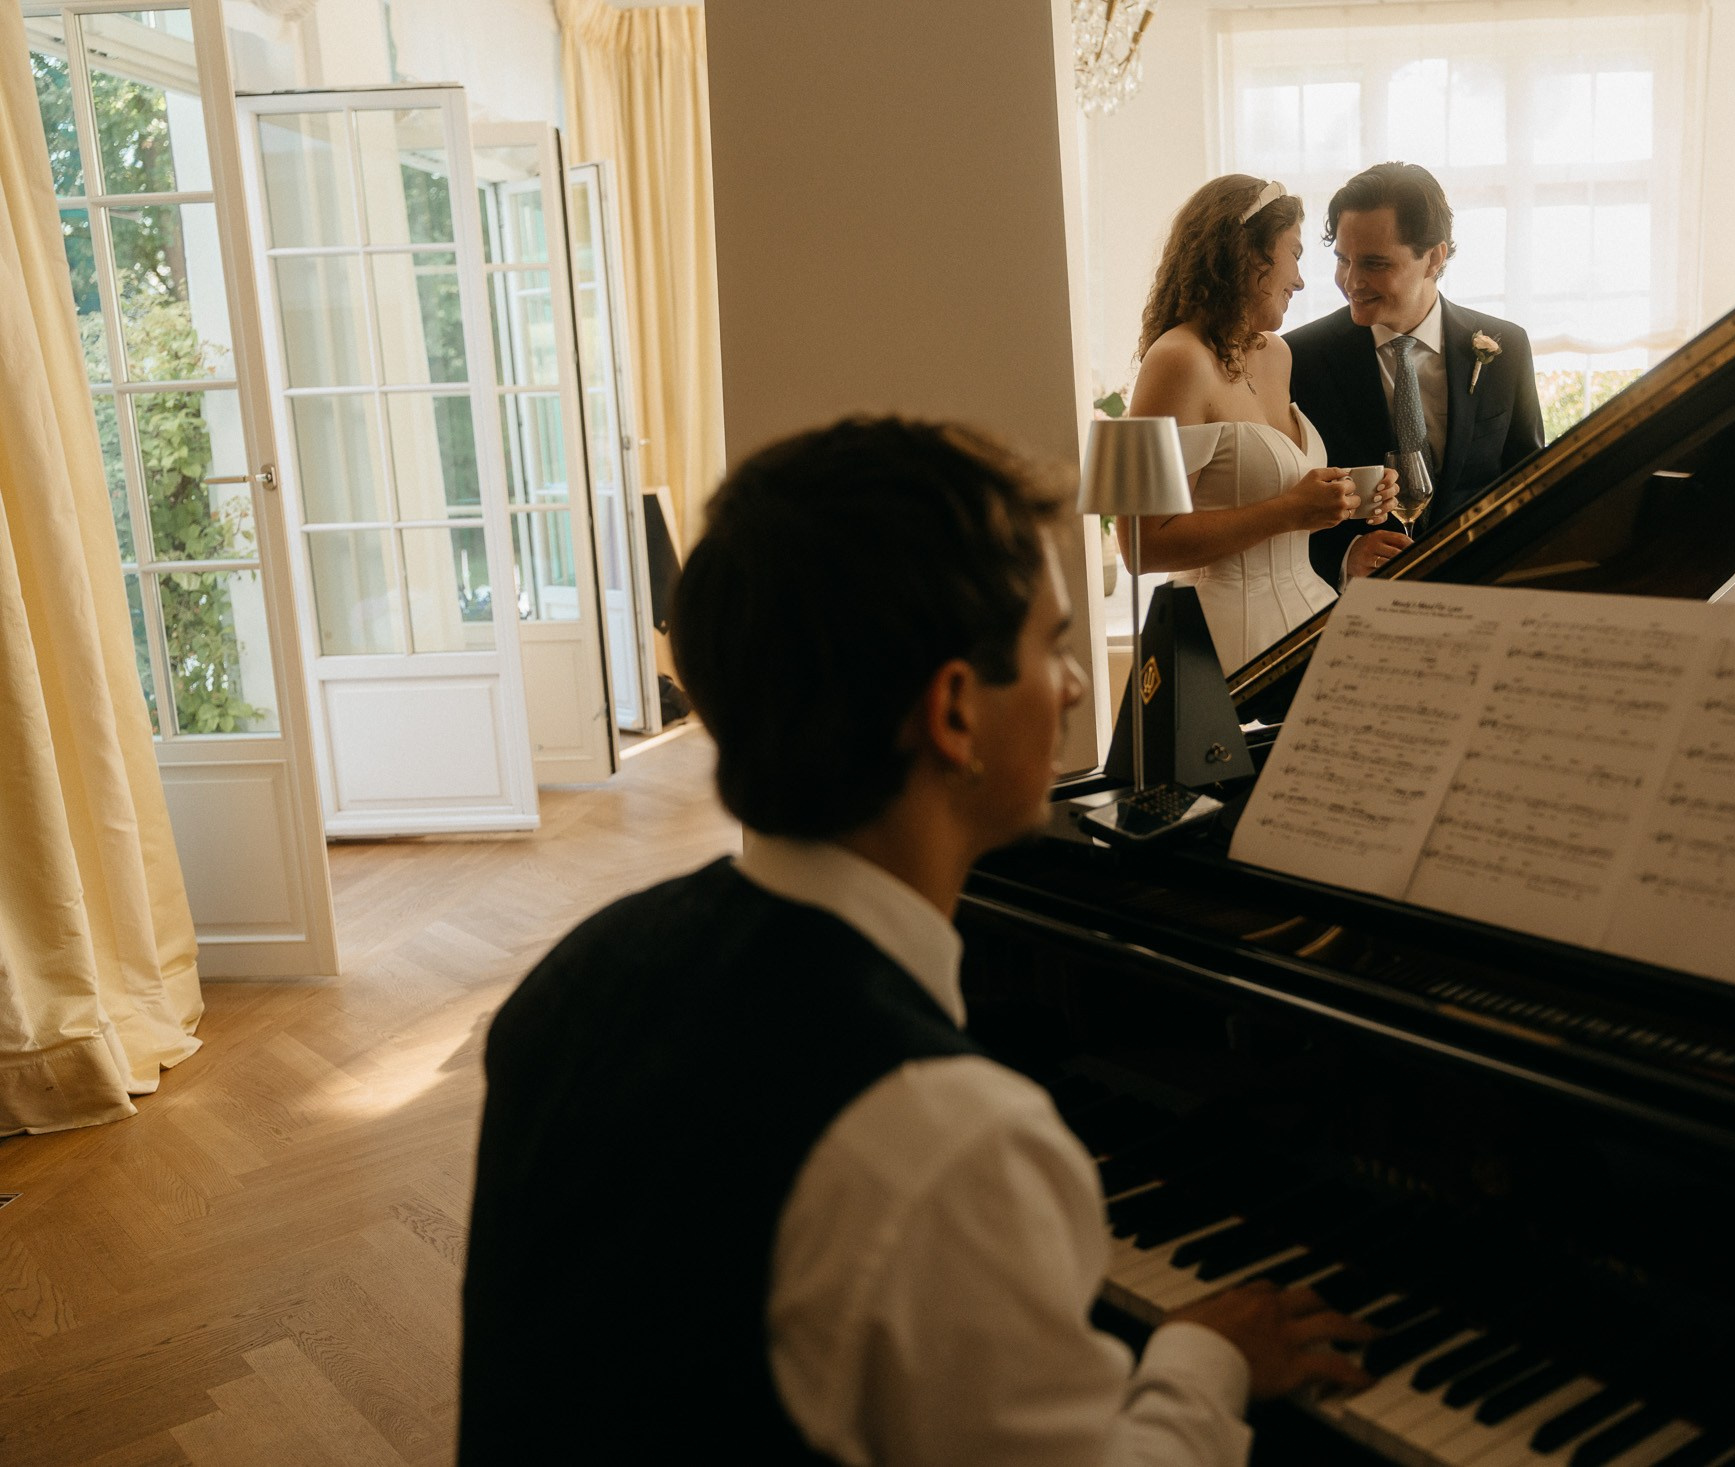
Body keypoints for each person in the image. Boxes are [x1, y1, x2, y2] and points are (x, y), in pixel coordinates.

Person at [458, 417, 1375, 1464]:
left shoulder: (578, 974)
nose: (1074, 687)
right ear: (952, 712)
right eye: (1050, 647)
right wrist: (1202, 1361)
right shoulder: (952, 1141)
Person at [1128, 175, 1402, 674]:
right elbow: (1143, 545)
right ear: (1248, 255)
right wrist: (1290, 512)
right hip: (1221, 641)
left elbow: (1265, 485)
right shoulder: (1176, 361)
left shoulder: (1277, 354)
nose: (1300, 279)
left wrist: (1344, 497)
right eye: (1294, 254)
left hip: (1313, 621)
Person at [1288, 162, 1546, 588]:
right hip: (1353, 611)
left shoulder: (1508, 347)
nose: (1351, 281)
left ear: (1434, 257)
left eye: (1374, 263)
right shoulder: (1301, 357)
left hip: (1480, 596)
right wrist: (1345, 554)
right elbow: (1279, 500)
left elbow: (1527, 484)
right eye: (1342, 260)